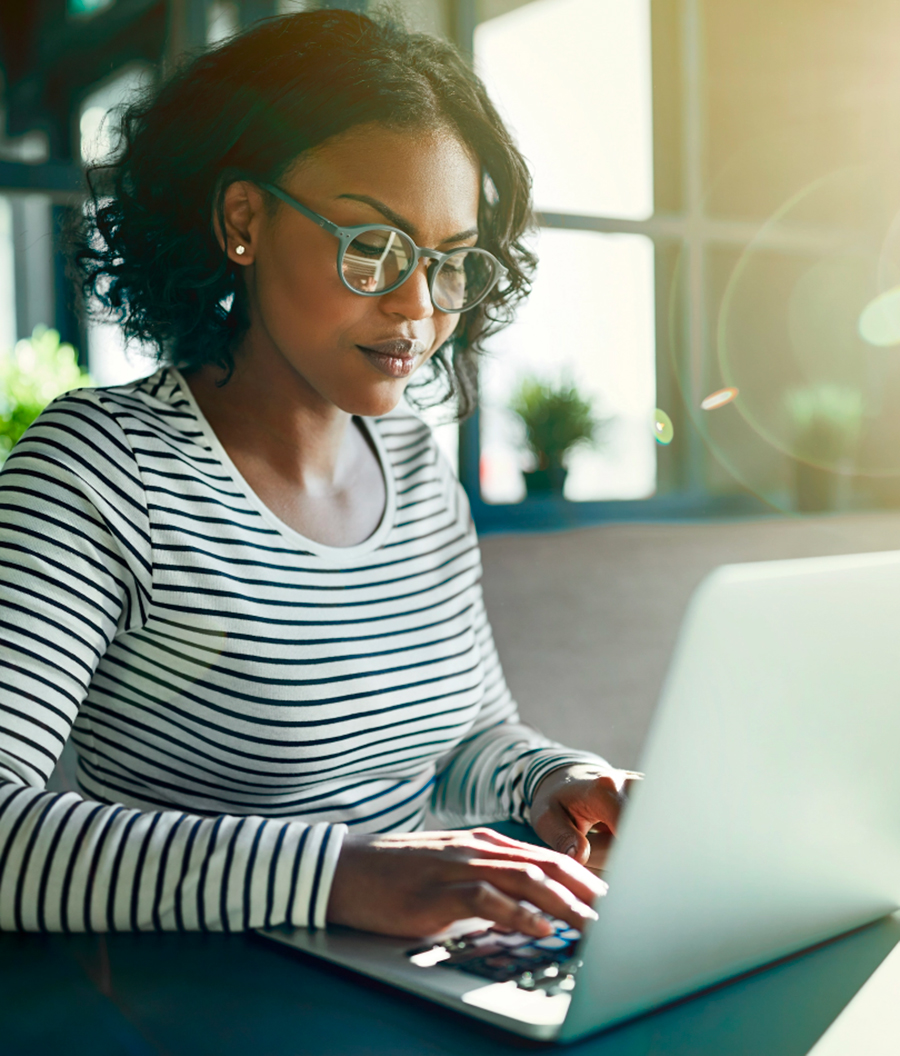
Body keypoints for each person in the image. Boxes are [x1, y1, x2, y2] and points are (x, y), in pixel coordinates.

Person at [0, 9, 633, 938]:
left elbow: (464, 737)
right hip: (192, 1004)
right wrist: (336, 876)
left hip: (408, 983)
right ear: (243, 220)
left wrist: (555, 781)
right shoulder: (100, 470)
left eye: (448, 261)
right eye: (371, 247)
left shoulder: (417, 471)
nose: (416, 305)